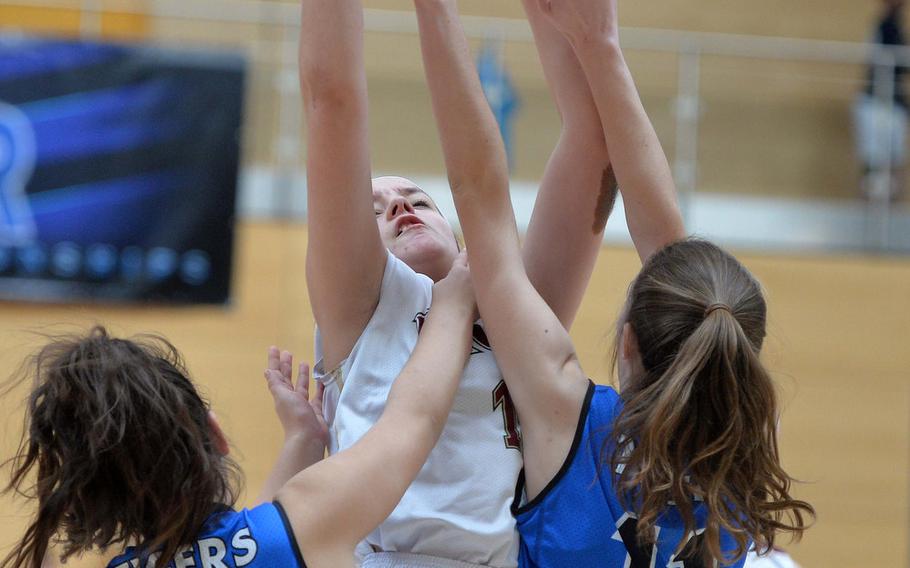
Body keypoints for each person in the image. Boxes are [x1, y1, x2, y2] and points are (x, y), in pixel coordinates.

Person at [415, 0, 815, 565]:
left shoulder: (577, 429)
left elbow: (485, 201)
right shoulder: (739, 472)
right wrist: (595, 46)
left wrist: (600, 42)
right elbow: (483, 198)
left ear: (627, 341)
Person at [300, 0, 614, 564]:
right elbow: (331, 101)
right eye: (376, 209)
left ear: (456, 230)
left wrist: (558, 20)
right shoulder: (361, 303)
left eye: (418, 199)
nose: (399, 203)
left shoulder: (511, 302)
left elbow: (596, 150)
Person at [0, 252, 477, 568]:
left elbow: (248, 539)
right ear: (216, 433)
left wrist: (304, 440)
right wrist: (456, 298)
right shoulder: (305, 522)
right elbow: (413, 419)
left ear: (81, 497)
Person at [854, 0, 908, 200]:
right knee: (874, 163)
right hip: (877, 102)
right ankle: (870, 205)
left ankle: (889, 210)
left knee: (893, 163)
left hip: (891, 103)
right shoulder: (886, 25)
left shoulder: (894, 26)